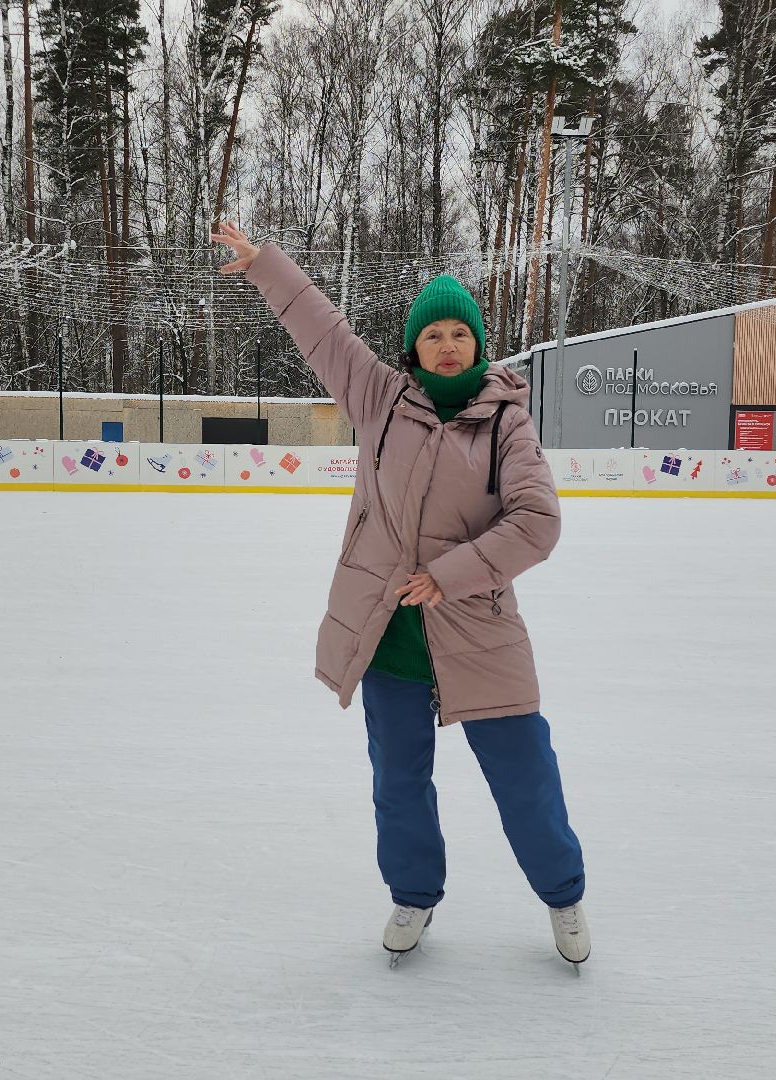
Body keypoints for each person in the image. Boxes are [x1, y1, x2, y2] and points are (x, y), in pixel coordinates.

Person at [212, 221, 589, 965]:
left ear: (479, 344)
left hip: (478, 630)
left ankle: (563, 896)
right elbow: (323, 332)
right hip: (386, 634)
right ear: (413, 349)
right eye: (432, 335)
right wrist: (265, 266)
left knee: (525, 778)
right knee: (398, 783)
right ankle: (413, 895)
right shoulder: (381, 400)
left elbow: (537, 522)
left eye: (460, 333)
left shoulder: (507, 423)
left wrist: (449, 576)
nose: (447, 345)